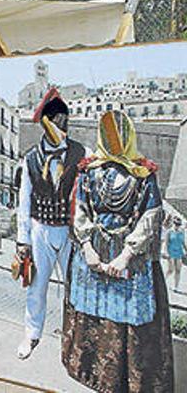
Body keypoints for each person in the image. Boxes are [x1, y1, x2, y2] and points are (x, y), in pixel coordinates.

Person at [62, 110, 174, 391]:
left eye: (119, 134)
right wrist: (87, 249)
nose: (114, 141)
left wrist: (126, 255)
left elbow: (151, 216)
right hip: (94, 258)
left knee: (128, 325)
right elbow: (81, 212)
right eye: (109, 134)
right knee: (94, 319)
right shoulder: (88, 171)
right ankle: (94, 377)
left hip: (130, 262)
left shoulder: (143, 174)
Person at [15, 91, 85, 360]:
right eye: (57, 122)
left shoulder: (82, 154)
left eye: (65, 122)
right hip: (40, 229)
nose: (62, 128)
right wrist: (23, 240)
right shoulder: (30, 158)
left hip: (70, 230)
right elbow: (24, 201)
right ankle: (31, 333)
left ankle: (75, 336)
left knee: (75, 286)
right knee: (36, 287)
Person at [163, 217, 185, 293]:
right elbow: (166, 243)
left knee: (178, 270)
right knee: (170, 270)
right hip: (171, 252)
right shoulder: (169, 232)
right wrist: (166, 252)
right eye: (176, 224)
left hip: (179, 252)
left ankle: (176, 286)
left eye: (178, 224)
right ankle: (163, 282)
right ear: (173, 223)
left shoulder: (182, 232)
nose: (177, 225)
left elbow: (183, 242)